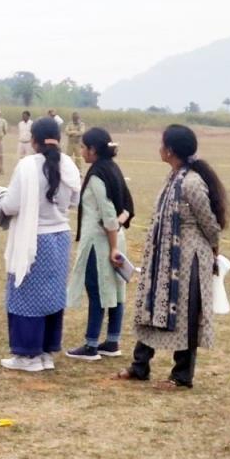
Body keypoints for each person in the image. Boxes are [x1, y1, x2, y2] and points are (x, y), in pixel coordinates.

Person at [117, 125, 228, 389]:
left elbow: (210, 223)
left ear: (170, 150)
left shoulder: (191, 182)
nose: (159, 148)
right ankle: (140, 366)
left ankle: (181, 376)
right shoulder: (174, 176)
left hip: (187, 260)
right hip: (163, 258)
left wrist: (213, 249)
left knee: (186, 315)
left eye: (161, 144)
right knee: (150, 306)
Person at [0, 117, 81, 371]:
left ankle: (27, 355)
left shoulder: (27, 166)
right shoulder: (69, 165)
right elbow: (75, 200)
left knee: (25, 294)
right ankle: (45, 352)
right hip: (60, 236)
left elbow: (11, 204)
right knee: (52, 294)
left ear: (33, 140)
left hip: (34, 239)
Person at [65, 128, 135, 360]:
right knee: (116, 289)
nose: (82, 151)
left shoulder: (96, 175)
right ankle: (112, 341)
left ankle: (91, 344)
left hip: (101, 242)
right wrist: (118, 227)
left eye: (84, 147)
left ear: (93, 150)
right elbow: (126, 208)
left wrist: (112, 245)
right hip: (115, 237)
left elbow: (107, 213)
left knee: (97, 290)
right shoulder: (112, 169)